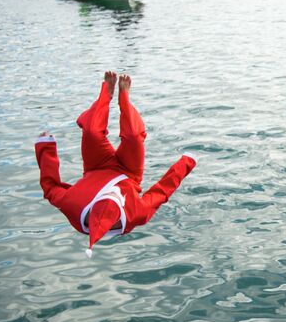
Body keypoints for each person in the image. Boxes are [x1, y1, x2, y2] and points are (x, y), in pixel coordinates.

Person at [35, 71, 197, 257]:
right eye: (116, 197)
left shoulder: (73, 206)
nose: (114, 192)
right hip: (129, 171)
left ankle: (106, 93)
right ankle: (124, 98)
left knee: (91, 131)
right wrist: (187, 163)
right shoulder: (137, 214)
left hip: (96, 166)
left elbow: (49, 187)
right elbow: (162, 190)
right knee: (134, 137)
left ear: (91, 206)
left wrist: (45, 147)